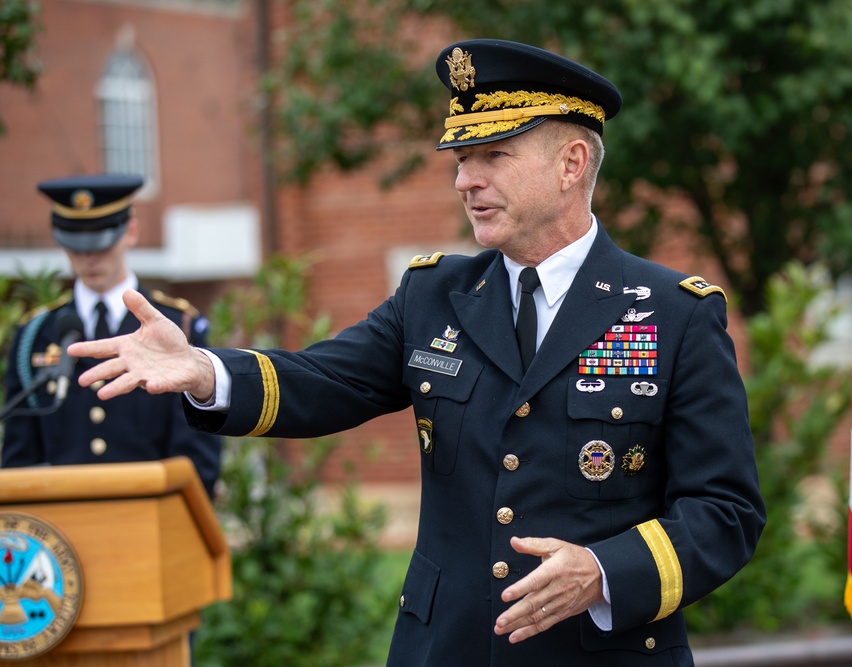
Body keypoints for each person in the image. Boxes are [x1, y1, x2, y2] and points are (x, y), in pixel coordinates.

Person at [70, 40, 765, 665]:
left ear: (571, 163)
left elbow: (725, 510)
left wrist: (606, 571)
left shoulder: (672, 313)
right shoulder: (436, 294)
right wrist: (206, 369)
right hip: (445, 648)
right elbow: (325, 377)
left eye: (494, 156)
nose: (466, 180)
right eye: (462, 160)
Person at [2, 174, 221, 498]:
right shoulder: (33, 336)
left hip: (151, 520)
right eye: (76, 245)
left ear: (130, 231)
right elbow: (18, 461)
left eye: (101, 243)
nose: (89, 257)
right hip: (63, 527)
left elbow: (197, 457)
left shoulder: (179, 326)